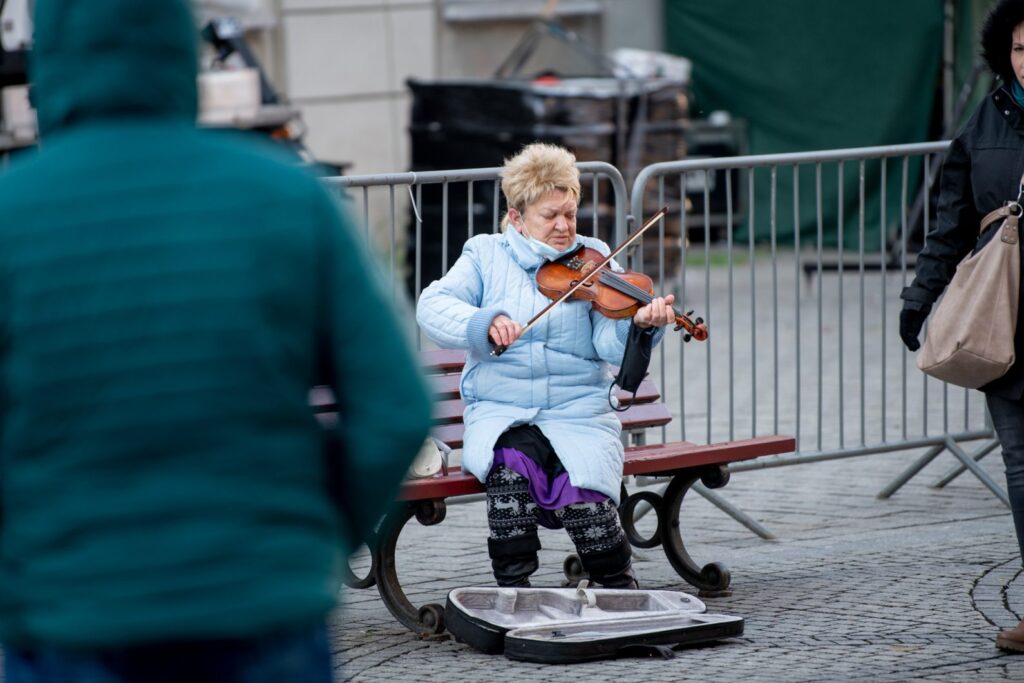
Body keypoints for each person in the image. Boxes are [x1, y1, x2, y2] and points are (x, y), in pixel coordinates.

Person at [0, 1, 433, 681]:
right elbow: (397, 407)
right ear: (180, 50)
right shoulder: (288, 198)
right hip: (261, 613)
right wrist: (311, 533)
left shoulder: (12, 215)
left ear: (47, 62)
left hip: (69, 619)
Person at [416, 143, 677, 589]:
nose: (564, 227)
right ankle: (514, 590)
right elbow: (431, 305)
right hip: (503, 409)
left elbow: (608, 346)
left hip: (578, 410)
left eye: (570, 214)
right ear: (517, 217)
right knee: (508, 473)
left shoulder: (593, 257)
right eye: (550, 216)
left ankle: (616, 585)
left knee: (587, 489)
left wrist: (639, 327)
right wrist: (485, 322)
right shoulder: (485, 254)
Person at [899, 0, 1024, 654]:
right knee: (1023, 470)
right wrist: (918, 300)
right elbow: (948, 224)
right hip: (1005, 329)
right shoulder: (985, 123)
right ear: (1006, 53)